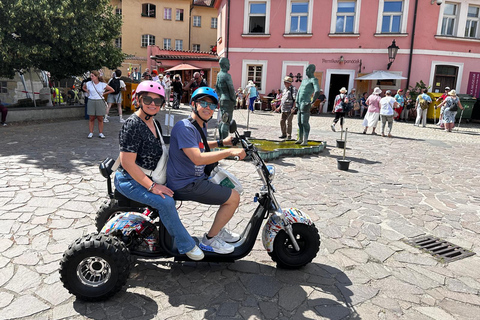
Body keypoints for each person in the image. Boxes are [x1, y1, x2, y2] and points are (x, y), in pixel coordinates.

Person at [114, 81, 204, 261]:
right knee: (166, 203)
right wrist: (153, 186)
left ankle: (166, 233)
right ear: (139, 99)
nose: (153, 104)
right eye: (148, 99)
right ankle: (185, 245)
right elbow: (127, 163)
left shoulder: (154, 123)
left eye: (158, 101)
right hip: (130, 179)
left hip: (149, 176)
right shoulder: (132, 125)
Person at [167, 87, 246, 254]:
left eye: (211, 105)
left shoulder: (198, 125)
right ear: (194, 104)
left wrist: (222, 142)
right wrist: (230, 152)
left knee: (232, 188)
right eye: (203, 103)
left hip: (195, 178)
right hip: (185, 183)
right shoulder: (185, 127)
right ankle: (210, 240)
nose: (208, 108)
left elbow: (199, 145)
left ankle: (218, 230)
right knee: (233, 198)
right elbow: (197, 158)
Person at [83, 70, 114, 139]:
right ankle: (91, 132)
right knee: (91, 118)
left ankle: (101, 132)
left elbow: (112, 90)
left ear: (96, 77)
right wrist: (87, 91)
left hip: (99, 101)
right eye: (91, 76)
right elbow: (83, 87)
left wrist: (104, 94)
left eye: (92, 76)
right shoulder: (88, 83)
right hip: (91, 100)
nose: (91, 77)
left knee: (100, 118)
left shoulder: (102, 84)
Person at [295, 64, 320, 145]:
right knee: (299, 122)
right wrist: (296, 100)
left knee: (304, 122)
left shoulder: (314, 80)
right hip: (299, 102)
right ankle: (300, 138)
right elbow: (299, 91)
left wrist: (312, 101)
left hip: (305, 103)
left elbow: (317, 91)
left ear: (310, 70)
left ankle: (305, 140)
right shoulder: (304, 80)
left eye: (307, 69)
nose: (305, 71)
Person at [216, 57, 237, 139]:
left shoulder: (219, 75)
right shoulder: (227, 75)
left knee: (222, 120)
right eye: (228, 64)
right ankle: (224, 140)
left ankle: (221, 139)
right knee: (227, 121)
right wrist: (234, 99)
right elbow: (231, 89)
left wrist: (220, 96)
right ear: (225, 65)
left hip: (222, 99)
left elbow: (217, 87)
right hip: (228, 100)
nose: (229, 65)